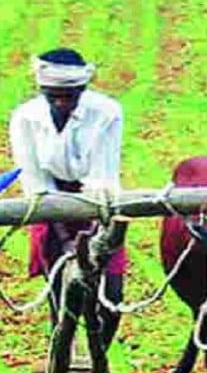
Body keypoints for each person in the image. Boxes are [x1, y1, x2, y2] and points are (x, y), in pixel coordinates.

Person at [8, 47, 126, 350]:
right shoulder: (25, 118)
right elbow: (34, 178)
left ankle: (99, 355)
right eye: (53, 96)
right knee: (59, 289)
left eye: (70, 95)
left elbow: (102, 175)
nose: (62, 102)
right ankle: (61, 352)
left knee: (112, 295)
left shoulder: (107, 113)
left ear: (82, 90)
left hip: (97, 203)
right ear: (42, 90)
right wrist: (64, 237)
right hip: (49, 204)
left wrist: (92, 237)